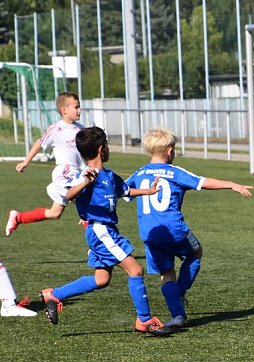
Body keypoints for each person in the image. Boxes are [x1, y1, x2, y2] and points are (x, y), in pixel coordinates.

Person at [39, 126, 169, 335]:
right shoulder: (86, 175)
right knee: (135, 270)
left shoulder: (109, 175)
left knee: (101, 279)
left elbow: (125, 191)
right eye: (107, 144)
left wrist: (149, 191)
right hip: (100, 230)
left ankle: (53, 294)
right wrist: (85, 182)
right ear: (101, 149)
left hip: (107, 229)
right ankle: (144, 320)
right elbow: (69, 195)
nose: (108, 148)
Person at [125, 127, 253, 328]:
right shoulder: (174, 172)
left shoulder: (139, 173)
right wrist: (231, 184)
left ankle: (177, 315)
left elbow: (123, 192)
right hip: (175, 229)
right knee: (196, 252)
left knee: (166, 272)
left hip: (150, 233)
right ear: (169, 151)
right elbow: (203, 182)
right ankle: (179, 296)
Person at [7, 92, 86, 237]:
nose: (79, 110)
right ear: (64, 110)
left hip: (78, 172)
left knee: (55, 213)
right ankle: (96, 248)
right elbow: (39, 143)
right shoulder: (56, 129)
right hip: (65, 172)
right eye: (76, 107)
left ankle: (18, 217)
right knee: (87, 204)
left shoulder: (81, 129)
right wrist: (26, 161)